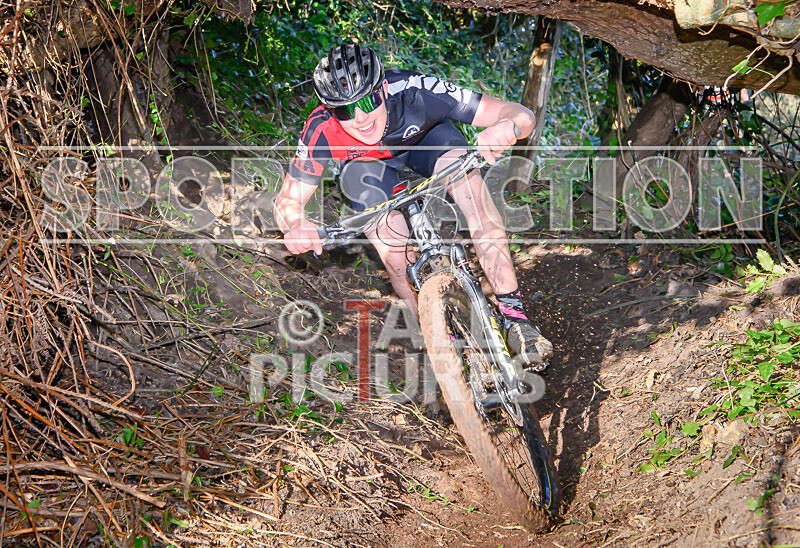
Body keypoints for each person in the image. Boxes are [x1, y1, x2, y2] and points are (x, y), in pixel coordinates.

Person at [274, 43, 552, 368]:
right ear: (329, 109)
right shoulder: (321, 129)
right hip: (367, 169)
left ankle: (515, 317)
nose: (360, 118)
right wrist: (295, 225)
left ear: (384, 88)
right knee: (394, 254)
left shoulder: (416, 91)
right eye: (345, 111)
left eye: (368, 101)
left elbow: (521, 114)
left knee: (474, 193)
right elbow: (288, 200)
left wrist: (508, 126)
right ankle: (442, 348)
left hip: (428, 142)